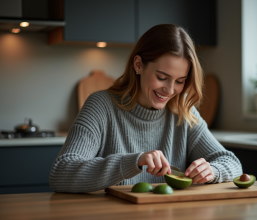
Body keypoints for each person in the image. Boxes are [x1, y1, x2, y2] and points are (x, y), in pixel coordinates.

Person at [49, 24, 242, 193]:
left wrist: (212, 171)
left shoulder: (183, 112)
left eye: (180, 81)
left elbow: (231, 162)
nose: (170, 90)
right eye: (162, 77)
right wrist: (134, 161)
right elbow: (62, 172)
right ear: (139, 65)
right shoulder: (101, 106)